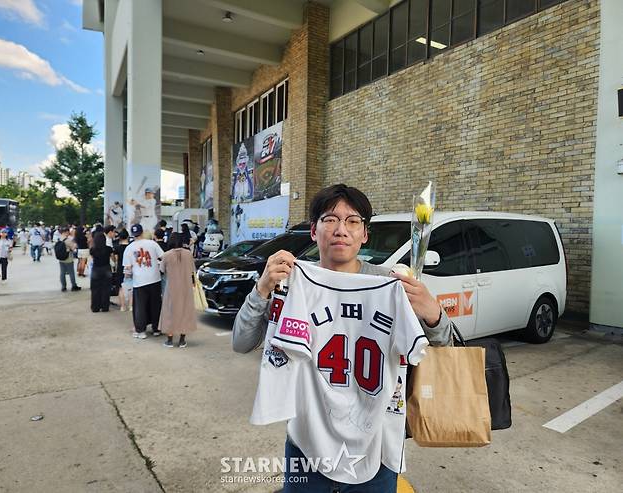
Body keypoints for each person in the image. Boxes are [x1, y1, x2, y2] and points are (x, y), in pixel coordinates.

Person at [232, 184, 451, 492]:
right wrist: (261, 289)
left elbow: (446, 349)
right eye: (330, 219)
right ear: (313, 230)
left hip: (376, 446)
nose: (341, 229)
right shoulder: (292, 283)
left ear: (365, 234)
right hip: (307, 444)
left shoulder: (390, 285)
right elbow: (241, 342)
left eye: (352, 221)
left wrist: (434, 314)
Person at [122, 224, 164, 339]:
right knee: (156, 304)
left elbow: (127, 269)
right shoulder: (152, 244)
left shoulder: (129, 248)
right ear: (142, 232)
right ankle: (157, 329)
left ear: (133, 234)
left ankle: (141, 331)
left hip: (139, 281)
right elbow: (163, 257)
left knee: (140, 306)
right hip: (155, 279)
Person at [159, 233, 197, 348]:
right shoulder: (189, 254)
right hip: (186, 288)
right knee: (185, 311)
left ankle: (169, 340)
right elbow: (192, 270)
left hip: (171, 288)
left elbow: (162, 270)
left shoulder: (166, 255)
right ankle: (182, 340)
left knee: (169, 312)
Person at [89, 231, 114, 312]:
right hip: (106, 268)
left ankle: (95, 307)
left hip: (96, 269)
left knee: (95, 289)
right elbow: (113, 258)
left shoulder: (93, 250)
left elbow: (92, 258)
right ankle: (105, 306)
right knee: (106, 288)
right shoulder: (108, 249)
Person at [58, 227, 81, 292]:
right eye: (68, 232)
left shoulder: (59, 238)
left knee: (62, 273)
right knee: (71, 273)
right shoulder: (67, 240)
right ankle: (74, 286)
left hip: (61, 258)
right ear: (66, 232)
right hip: (68, 258)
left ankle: (63, 286)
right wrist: (74, 243)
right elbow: (74, 247)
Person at [113, 229, 131, 312]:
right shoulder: (131, 246)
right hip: (130, 267)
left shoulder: (117, 247)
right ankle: (131, 306)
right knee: (132, 287)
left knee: (120, 288)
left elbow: (115, 260)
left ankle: (123, 306)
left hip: (120, 268)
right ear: (128, 237)